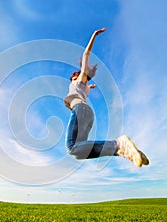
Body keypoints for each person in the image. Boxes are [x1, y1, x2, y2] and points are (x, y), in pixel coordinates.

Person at [64, 28, 149, 167]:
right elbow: (84, 92)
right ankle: (127, 150)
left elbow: (86, 55)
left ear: (77, 76)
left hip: (80, 110)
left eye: (73, 77)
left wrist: (93, 36)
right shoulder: (84, 88)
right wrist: (88, 88)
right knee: (80, 150)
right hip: (86, 113)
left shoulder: (80, 80)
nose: (72, 79)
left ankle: (118, 145)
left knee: (72, 147)